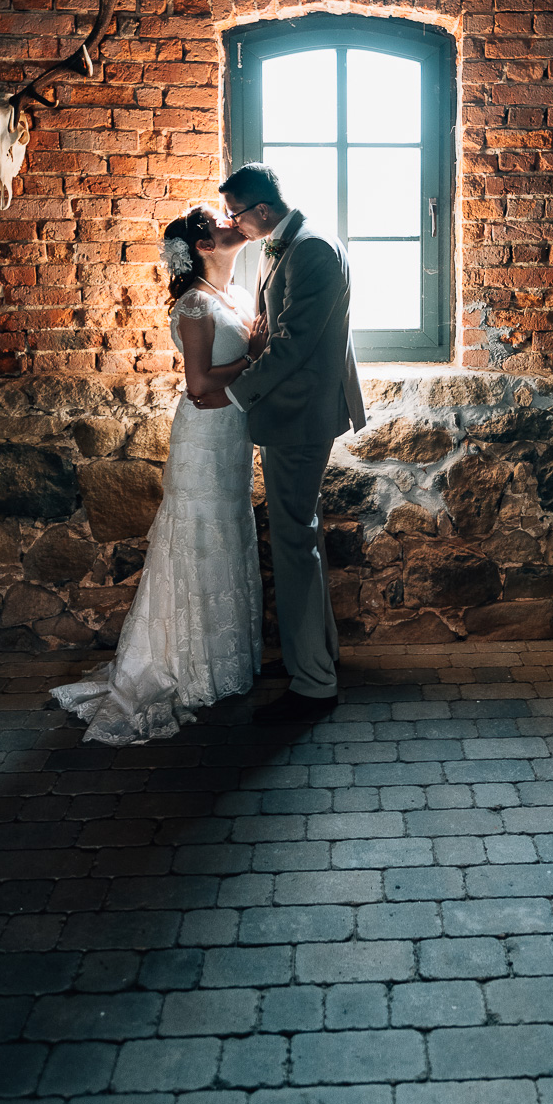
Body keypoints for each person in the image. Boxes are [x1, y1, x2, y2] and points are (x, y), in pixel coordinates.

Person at [51, 206, 265, 744]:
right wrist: (255, 357)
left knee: (228, 534)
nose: (229, 223)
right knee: (197, 538)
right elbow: (198, 383)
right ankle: (186, 665)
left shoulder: (235, 299)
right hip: (203, 435)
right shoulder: (194, 305)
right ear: (202, 246)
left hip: (232, 434)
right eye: (218, 222)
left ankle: (223, 660)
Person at [192, 162, 365, 721]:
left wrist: (235, 395)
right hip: (298, 412)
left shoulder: (311, 249)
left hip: (299, 416)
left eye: (235, 214)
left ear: (262, 211)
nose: (231, 223)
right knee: (302, 536)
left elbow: (291, 347)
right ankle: (318, 657)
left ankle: (312, 681)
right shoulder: (290, 241)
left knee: (294, 542)